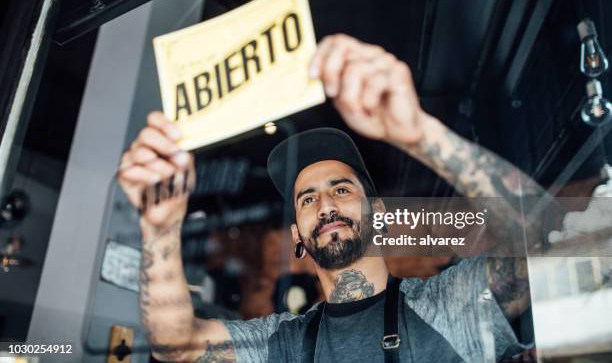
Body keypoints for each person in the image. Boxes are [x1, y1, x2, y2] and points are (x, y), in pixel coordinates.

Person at [118, 34, 546, 362]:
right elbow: (177, 345)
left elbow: (542, 242)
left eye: (341, 189)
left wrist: (421, 133)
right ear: (298, 237)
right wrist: (159, 227)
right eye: (307, 199)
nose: (324, 205)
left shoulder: (447, 306)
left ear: (378, 216)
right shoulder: (283, 343)